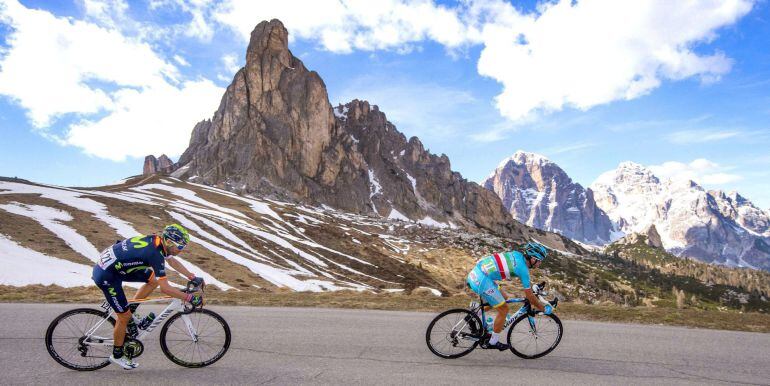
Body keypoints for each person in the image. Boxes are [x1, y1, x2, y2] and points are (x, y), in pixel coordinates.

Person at [92, 224, 205, 370]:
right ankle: (117, 355)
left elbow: (172, 260)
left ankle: (131, 312)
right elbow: (165, 289)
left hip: (115, 265)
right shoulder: (155, 254)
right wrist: (189, 298)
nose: (181, 250)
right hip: (107, 275)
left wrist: (192, 276)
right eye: (180, 247)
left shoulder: (159, 241)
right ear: (170, 242)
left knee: (152, 280)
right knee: (123, 317)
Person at [466, 241, 552, 351]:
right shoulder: (523, 269)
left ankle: (474, 314)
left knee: (504, 298)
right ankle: (493, 342)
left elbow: (527, 285)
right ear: (532, 259)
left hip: (477, 273)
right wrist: (543, 308)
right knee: (504, 309)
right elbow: (530, 297)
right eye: (539, 261)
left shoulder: (517, 254)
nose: (540, 264)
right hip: (482, 281)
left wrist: (532, 288)